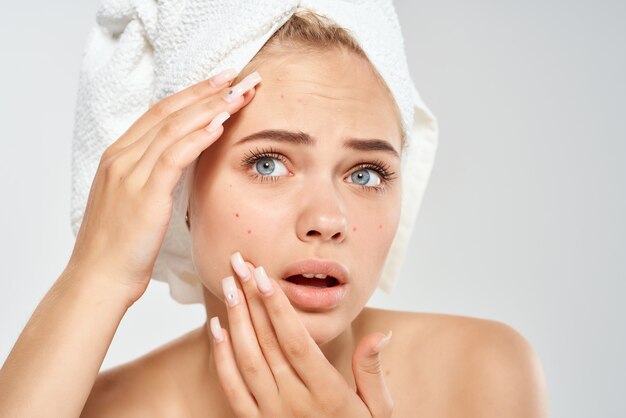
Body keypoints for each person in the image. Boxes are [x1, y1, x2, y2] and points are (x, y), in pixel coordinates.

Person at [0, 10, 548, 417]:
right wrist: (96, 275)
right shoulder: (101, 410)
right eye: (268, 163)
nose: (328, 219)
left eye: (366, 174)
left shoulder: (478, 374)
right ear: (180, 188)